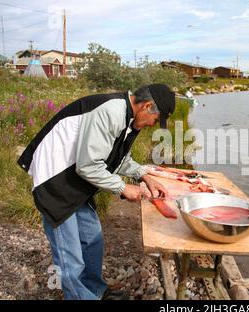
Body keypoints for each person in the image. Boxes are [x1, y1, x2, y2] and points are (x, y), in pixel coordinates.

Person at [17, 83, 174, 300]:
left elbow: (116, 157)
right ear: (147, 106)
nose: (152, 125)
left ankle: (95, 291)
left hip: (75, 178)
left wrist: (144, 176)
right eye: (156, 120)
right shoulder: (111, 112)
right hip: (55, 180)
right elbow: (88, 166)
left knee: (93, 238)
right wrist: (122, 187)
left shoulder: (128, 118)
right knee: (70, 260)